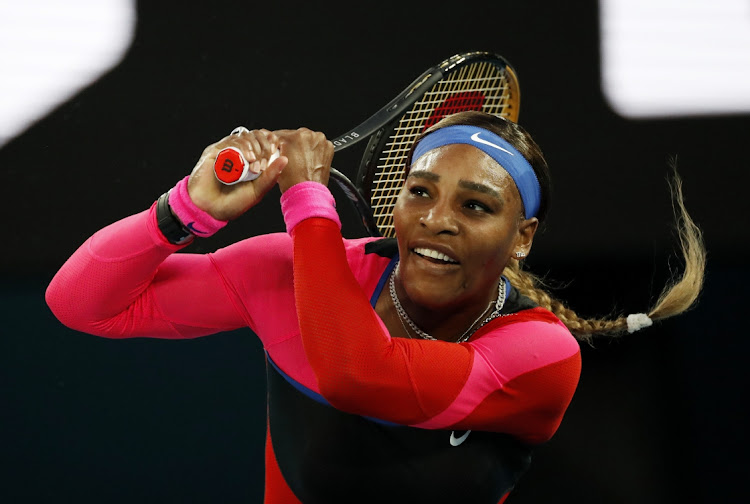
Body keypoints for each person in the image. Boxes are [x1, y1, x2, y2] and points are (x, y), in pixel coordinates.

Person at [45, 111, 705, 503]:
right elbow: (81, 304)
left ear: (522, 239)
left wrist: (306, 203)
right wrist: (184, 209)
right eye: (421, 192)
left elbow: (356, 373)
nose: (437, 220)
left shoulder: (538, 356)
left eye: (476, 205)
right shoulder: (293, 271)